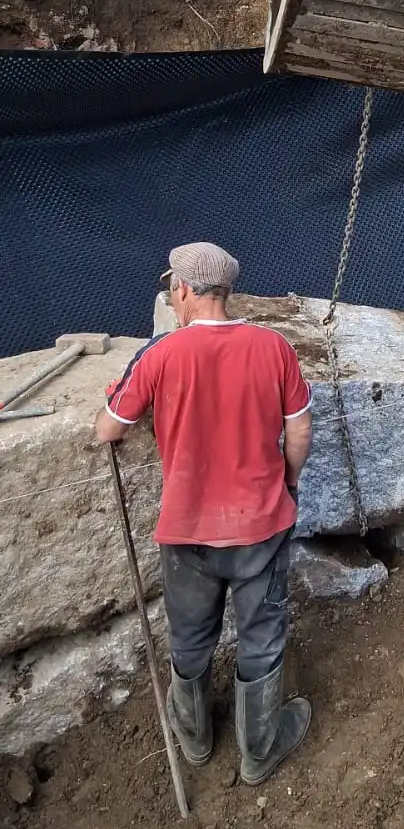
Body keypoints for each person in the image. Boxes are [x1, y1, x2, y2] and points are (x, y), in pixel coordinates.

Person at [95, 242, 313, 786]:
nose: (173, 296)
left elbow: (108, 428)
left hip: (187, 531)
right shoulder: (274, 347)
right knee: (261, 636)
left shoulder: (160, 353)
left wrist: (118, 395)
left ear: (186, 290)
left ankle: (194, 740)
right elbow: (300, 431)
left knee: (190, 636)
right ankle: (259, 750)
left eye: (173, 287)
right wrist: (287, 483)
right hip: (261, 524)